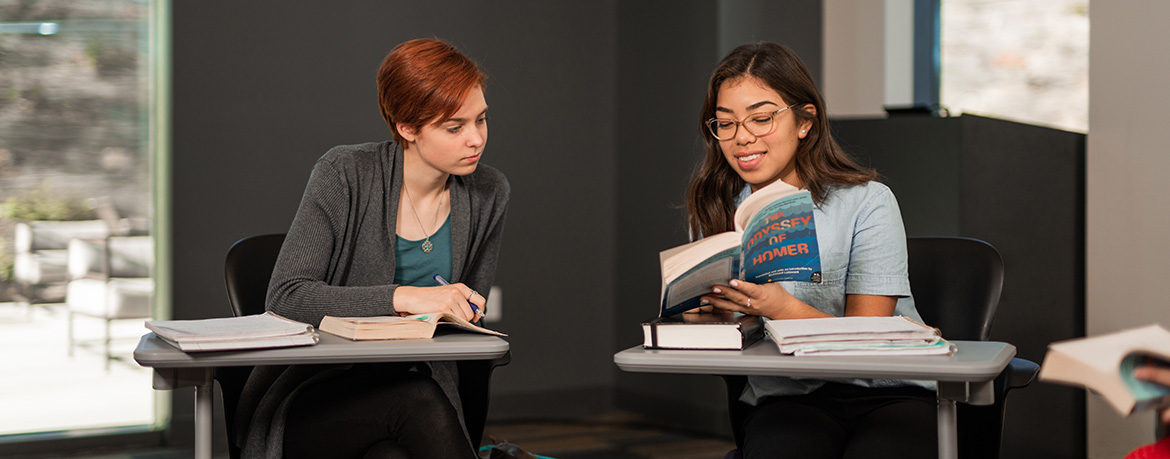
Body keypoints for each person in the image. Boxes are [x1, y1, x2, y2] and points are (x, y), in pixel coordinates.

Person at [234, 38, 509, 459]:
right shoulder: (343, 174)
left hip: (419, 391)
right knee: (414, 402)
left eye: (482, 120)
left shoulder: (489, 192)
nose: (476, 139)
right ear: (407, 127)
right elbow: (286, 297)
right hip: (316, 395)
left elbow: (463, 319)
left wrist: (461, 310)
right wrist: (406, 297)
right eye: (455, 127)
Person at [684, 42, 935, 459]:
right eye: (725, 124)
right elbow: (729, 332)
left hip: (890, 392)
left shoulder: (868, 201)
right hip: (789, 396)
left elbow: (867, 340)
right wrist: (705, 315)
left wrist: (781, 307)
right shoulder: (717, 210)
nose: (742, 137)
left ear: (805, 122)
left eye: (761, 118)